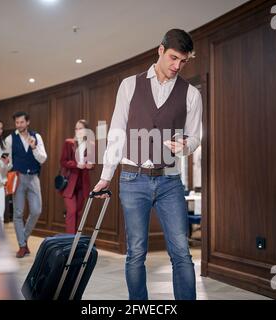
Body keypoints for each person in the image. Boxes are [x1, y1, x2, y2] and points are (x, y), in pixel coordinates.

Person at [93, 29, 202, 300]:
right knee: (136, 252)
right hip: (132, 179)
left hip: (170, 180)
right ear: (160, 50)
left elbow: (195, 135)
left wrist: (186, 146)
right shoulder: (129, 85)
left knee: (181, 253)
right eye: (174, 58)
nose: (177, 66)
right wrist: (107, 175)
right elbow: (117, 133)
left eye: (184, 61)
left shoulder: (191, 94)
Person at [5, 111, 47, 258]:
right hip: (18, 177)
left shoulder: (37, 137)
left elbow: (43, 159)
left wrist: (34, 147)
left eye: (22, 122)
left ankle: (23, 238)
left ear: (27, 122)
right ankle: (22, 246)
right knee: (18, 213)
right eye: (17, 122)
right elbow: (7, 161)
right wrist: (6, 164)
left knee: (36, 210)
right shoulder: (10, 139)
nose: (19, 125)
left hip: (34, 178)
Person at [60, 119, 95, 234]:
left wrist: (91, 165)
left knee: (79, 212)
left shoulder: (91, 145)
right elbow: (63, 161)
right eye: (76, 128)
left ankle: (76, 240)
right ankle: (70, 242)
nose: (78, 130)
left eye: (81, 128)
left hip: (82, 184)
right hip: (69, 183)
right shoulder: (69, 143)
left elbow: (92, 164)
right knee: (71, 211)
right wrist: (76, 165)